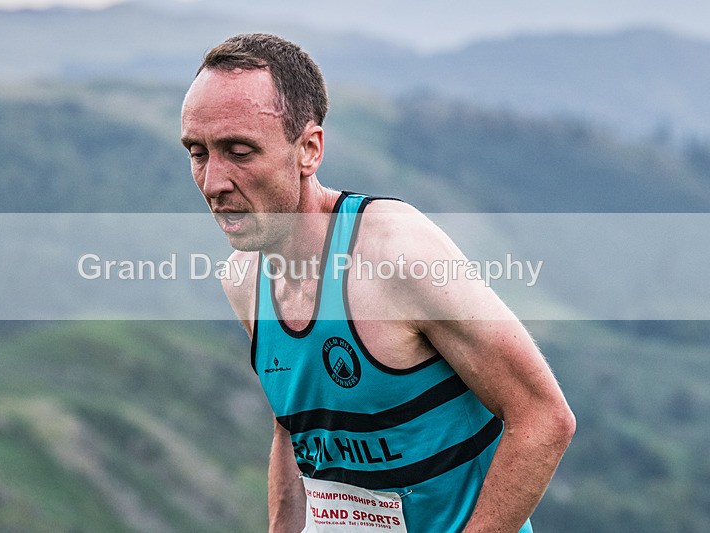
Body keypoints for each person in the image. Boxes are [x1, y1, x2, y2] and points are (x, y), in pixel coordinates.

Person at [181, 33, 575, 532]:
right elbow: (296, 430)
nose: (213, 181)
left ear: (308, 149)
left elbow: (544, 418)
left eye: (239, 151)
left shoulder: (396, 255)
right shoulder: (243, 282)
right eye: (197, 152)